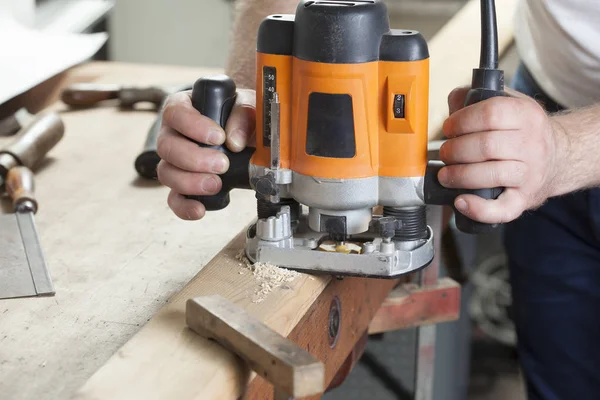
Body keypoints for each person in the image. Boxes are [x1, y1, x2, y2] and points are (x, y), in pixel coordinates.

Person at [156, 0, 600, 398]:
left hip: (558, 143)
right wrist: (256, 106)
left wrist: (565, 149)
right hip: (547, 103)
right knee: (563, 376)